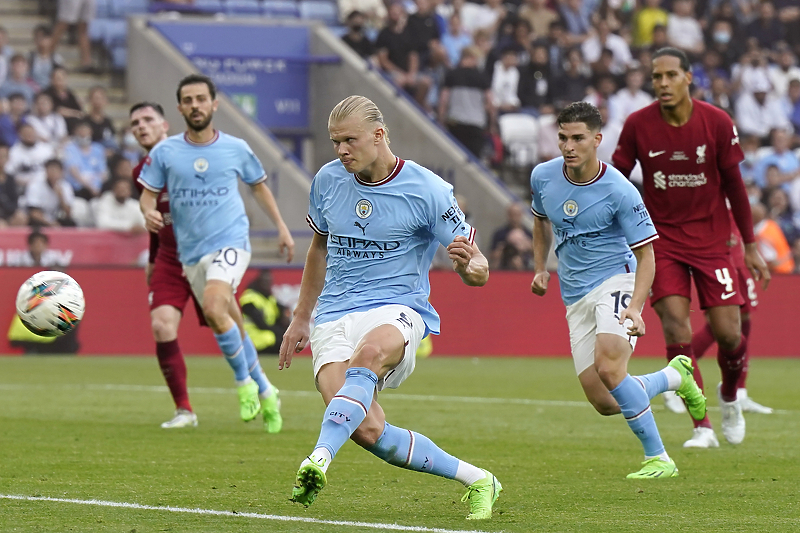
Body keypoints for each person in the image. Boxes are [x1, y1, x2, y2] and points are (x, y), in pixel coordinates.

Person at [279, 95, 501, 519]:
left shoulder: (428, 190)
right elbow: (319, 249)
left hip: (397, 307)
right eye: (334, 142)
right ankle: (478, 479)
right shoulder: (327, 180)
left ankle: (319, 459)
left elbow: (478, 265)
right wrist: (302, 316)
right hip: (333, 314)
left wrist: (470, 266)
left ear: (379, 136)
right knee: (367, 429)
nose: (341, 150)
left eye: (350, 140)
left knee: (369, 354)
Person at [530, 101, 705, 479]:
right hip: (574, 293)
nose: (568, 146)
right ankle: (675, 378)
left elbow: (647, 256)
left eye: (577, 138)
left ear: (597, 139)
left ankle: (658, 457)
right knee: (606, 401)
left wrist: (636, 307)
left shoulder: (620, 190)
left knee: (610, 366)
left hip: (618, 279)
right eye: (562, 138)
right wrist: (541, 267)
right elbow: (541, 221)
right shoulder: (543, 177)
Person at [612, 47, 771, 448]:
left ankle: (731, 396)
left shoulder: (716, 122)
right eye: (655, 77)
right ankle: (702, 427)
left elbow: (735, 185)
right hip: (661, 241)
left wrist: (750, 246)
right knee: (675, 326)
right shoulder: (637, 125)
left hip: (714, 242)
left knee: (729, 333)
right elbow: (615, 179)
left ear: (687, 78)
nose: (661, 83)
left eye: (669, 75)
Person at [138, 75, 294, 430]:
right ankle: (268, 391)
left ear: (214, 104)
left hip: (230, 242)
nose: (195, 105)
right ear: (179, 108)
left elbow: (258, 187)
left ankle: (243, 387)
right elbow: (147, 193)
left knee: (212, 307)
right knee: (230, 324)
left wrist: (282, 228)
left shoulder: (236, 148)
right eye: (188, 100)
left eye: (201, 99)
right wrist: (146, 210)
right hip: (190, 255)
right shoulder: (166, 152)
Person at [129, 102, 200, 428]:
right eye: (135, 123)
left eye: (147, 120)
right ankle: (184, 410)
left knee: (228, 327)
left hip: (206, 256)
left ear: (165, 125)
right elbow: (155, 218)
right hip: (169, 260)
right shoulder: (140, 171)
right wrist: (152, 256)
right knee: (161, 326)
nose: (141, 126)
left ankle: (259, 388)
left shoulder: (190, 158)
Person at [239, 269, 291, 354]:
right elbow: (260, 323)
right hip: (252, 337)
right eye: (265, 281)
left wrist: (286, 315)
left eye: (269, 281)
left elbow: (283, 309)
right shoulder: (249, 299)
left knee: (284, 336)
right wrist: (280, 332)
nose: (267, 284)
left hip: (266, 334)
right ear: (259, 282)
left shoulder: (269, 298)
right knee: (276, 337)